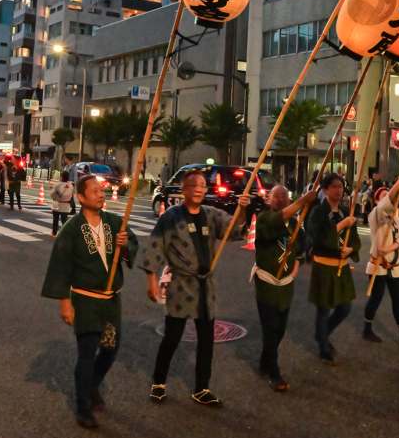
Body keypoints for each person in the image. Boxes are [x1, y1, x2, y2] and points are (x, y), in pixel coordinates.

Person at [140, 169, 249, 406]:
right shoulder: (171, 216)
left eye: (202, 185)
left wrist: (241, 211)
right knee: (172, 337)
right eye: (194, 185)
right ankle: (158, 383)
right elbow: (155, 246)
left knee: (206, 340)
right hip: (181, 283)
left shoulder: (211, 214)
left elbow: (234, 230)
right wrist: (151, 279)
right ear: (184, 190)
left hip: (205, 285)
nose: (199, 188)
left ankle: (202, 388)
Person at [41, 175, 138, 429]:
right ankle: (83, 405)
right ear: (81, 197)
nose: (101, 194)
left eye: (101, 190)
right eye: (94, 191)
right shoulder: (71, 229)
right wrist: (65, 302)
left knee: (110, 349)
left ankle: (93, 384)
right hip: (85, 300)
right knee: (87, 352)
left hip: (110, 302)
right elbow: (60, 266)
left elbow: (131, 247)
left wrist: (125, 245)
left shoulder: (115, 221)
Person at [252, 185, 317, 390]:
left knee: (280, 328)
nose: (280, 199)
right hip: (266, 281)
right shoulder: (264, 219)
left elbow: (300, 246)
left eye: (284, 196)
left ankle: (265, 359)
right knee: (270, 327)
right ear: (269, 199)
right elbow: (277, 219)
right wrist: (303, 200)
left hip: (285, 283)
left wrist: (297, 262)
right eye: (276, 196)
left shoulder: (295, 224)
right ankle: (273, 371)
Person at [306, 172, 361, 366]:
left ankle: (322, 333)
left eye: (341, 186)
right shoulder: (318, 212)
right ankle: (323, 348)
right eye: (334, 186)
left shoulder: (346, 211)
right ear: (325, 190)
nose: (338, 190)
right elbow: (317, 237)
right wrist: (340, 226)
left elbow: (354, 238)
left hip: (342, 265)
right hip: (324, 265)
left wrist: (351, 248)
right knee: (323, 308)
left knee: (345, 307)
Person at [364, 175, 399, 351]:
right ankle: (367, 328)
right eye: (383, 196)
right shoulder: (376, 215)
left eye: (390, 195)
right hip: (377, 265)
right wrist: (398, 183)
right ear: (377, 201)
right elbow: (385, 203)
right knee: (376, 297)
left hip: (395, 267)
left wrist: (388, 249)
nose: (388, 198)